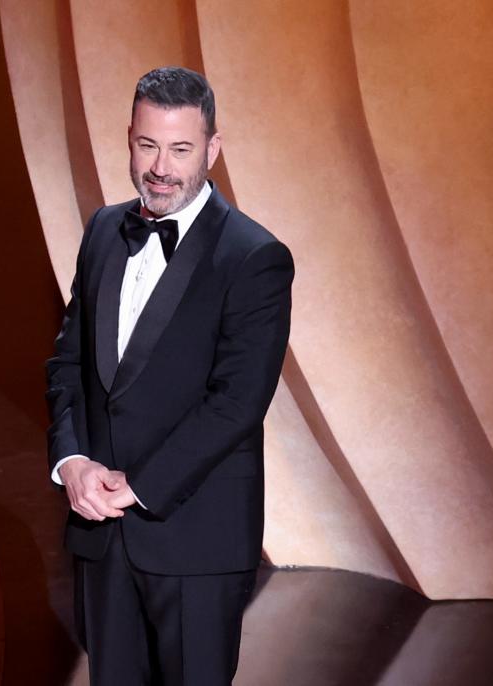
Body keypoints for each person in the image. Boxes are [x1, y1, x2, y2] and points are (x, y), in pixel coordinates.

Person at [45, 66, 294, 685]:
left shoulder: (254, 258)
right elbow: (68, 363)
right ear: (129, 138)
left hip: (196, 541)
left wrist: (138, 486)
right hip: (102, 538)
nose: (160, 166)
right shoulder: (104, 230)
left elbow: (236, 403)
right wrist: (71, 460)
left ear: (212, 149)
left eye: (181, 149)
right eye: (147, 145)